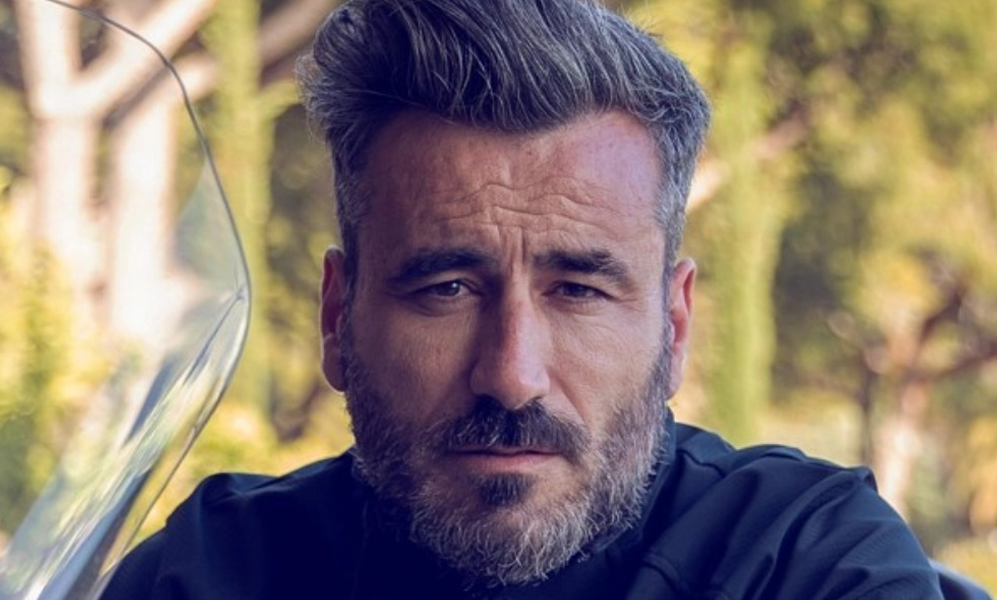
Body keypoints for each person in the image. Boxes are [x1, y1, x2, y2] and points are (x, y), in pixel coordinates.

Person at [101, 0, 945, 598]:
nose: (511, 376)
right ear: (337, 317)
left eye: (578, 290)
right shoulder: (216, 575)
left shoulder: (803, 563)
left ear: (675, 324)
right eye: (446, 288)